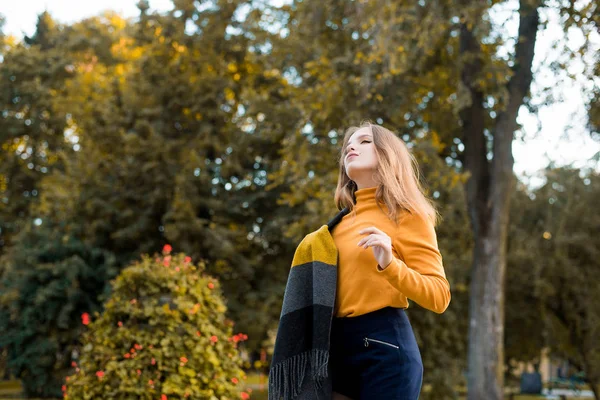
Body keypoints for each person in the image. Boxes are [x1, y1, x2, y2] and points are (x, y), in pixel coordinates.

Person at [329, 121, 451, 400]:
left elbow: (439, 296)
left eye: (364, 141)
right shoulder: (335, 227)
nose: (350, 146)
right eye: (349, 143)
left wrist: (390, 264)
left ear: (387, 154)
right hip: (335, 348)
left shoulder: (408, 215)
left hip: (385, 349)